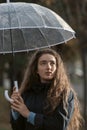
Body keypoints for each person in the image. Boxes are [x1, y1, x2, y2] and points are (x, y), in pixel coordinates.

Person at [10, 48, 83, 130]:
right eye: (43, 63)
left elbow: (59, 125)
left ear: (57, 68)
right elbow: (18, 127)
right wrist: (16, 110)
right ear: (36, 69)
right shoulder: (26, 93)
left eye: (52, 63)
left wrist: (28, 114)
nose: (48, 67)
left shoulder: (65, 93)